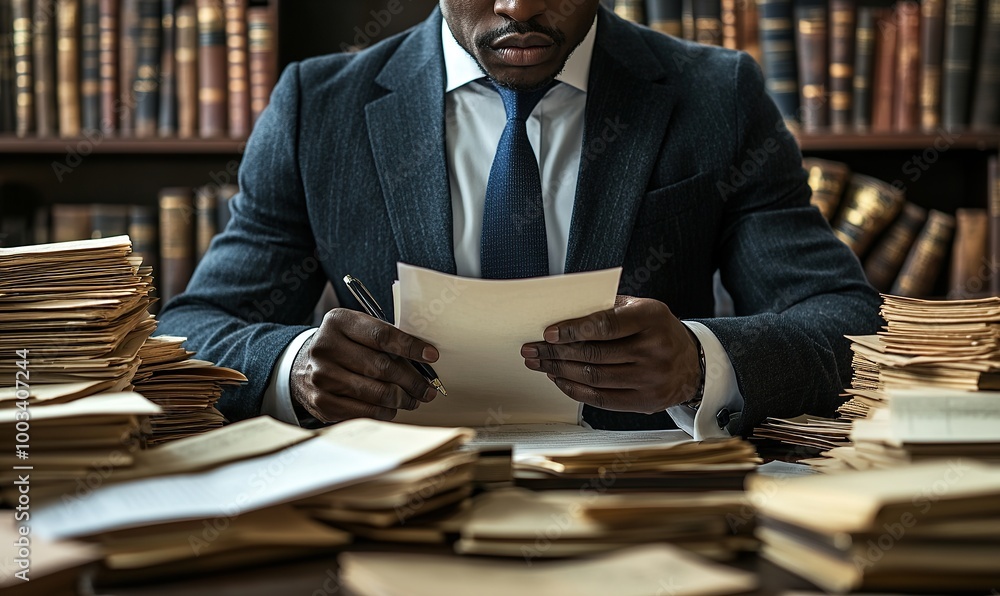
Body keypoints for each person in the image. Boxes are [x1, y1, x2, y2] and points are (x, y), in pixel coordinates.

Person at [157, 0, 882, 438]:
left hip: (643, 510)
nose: (519, 7)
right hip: (393, 507)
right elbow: (192, 330)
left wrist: (699, 363)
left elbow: (850, 324)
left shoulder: (716, 95)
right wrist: (296, 366)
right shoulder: (320, 106)